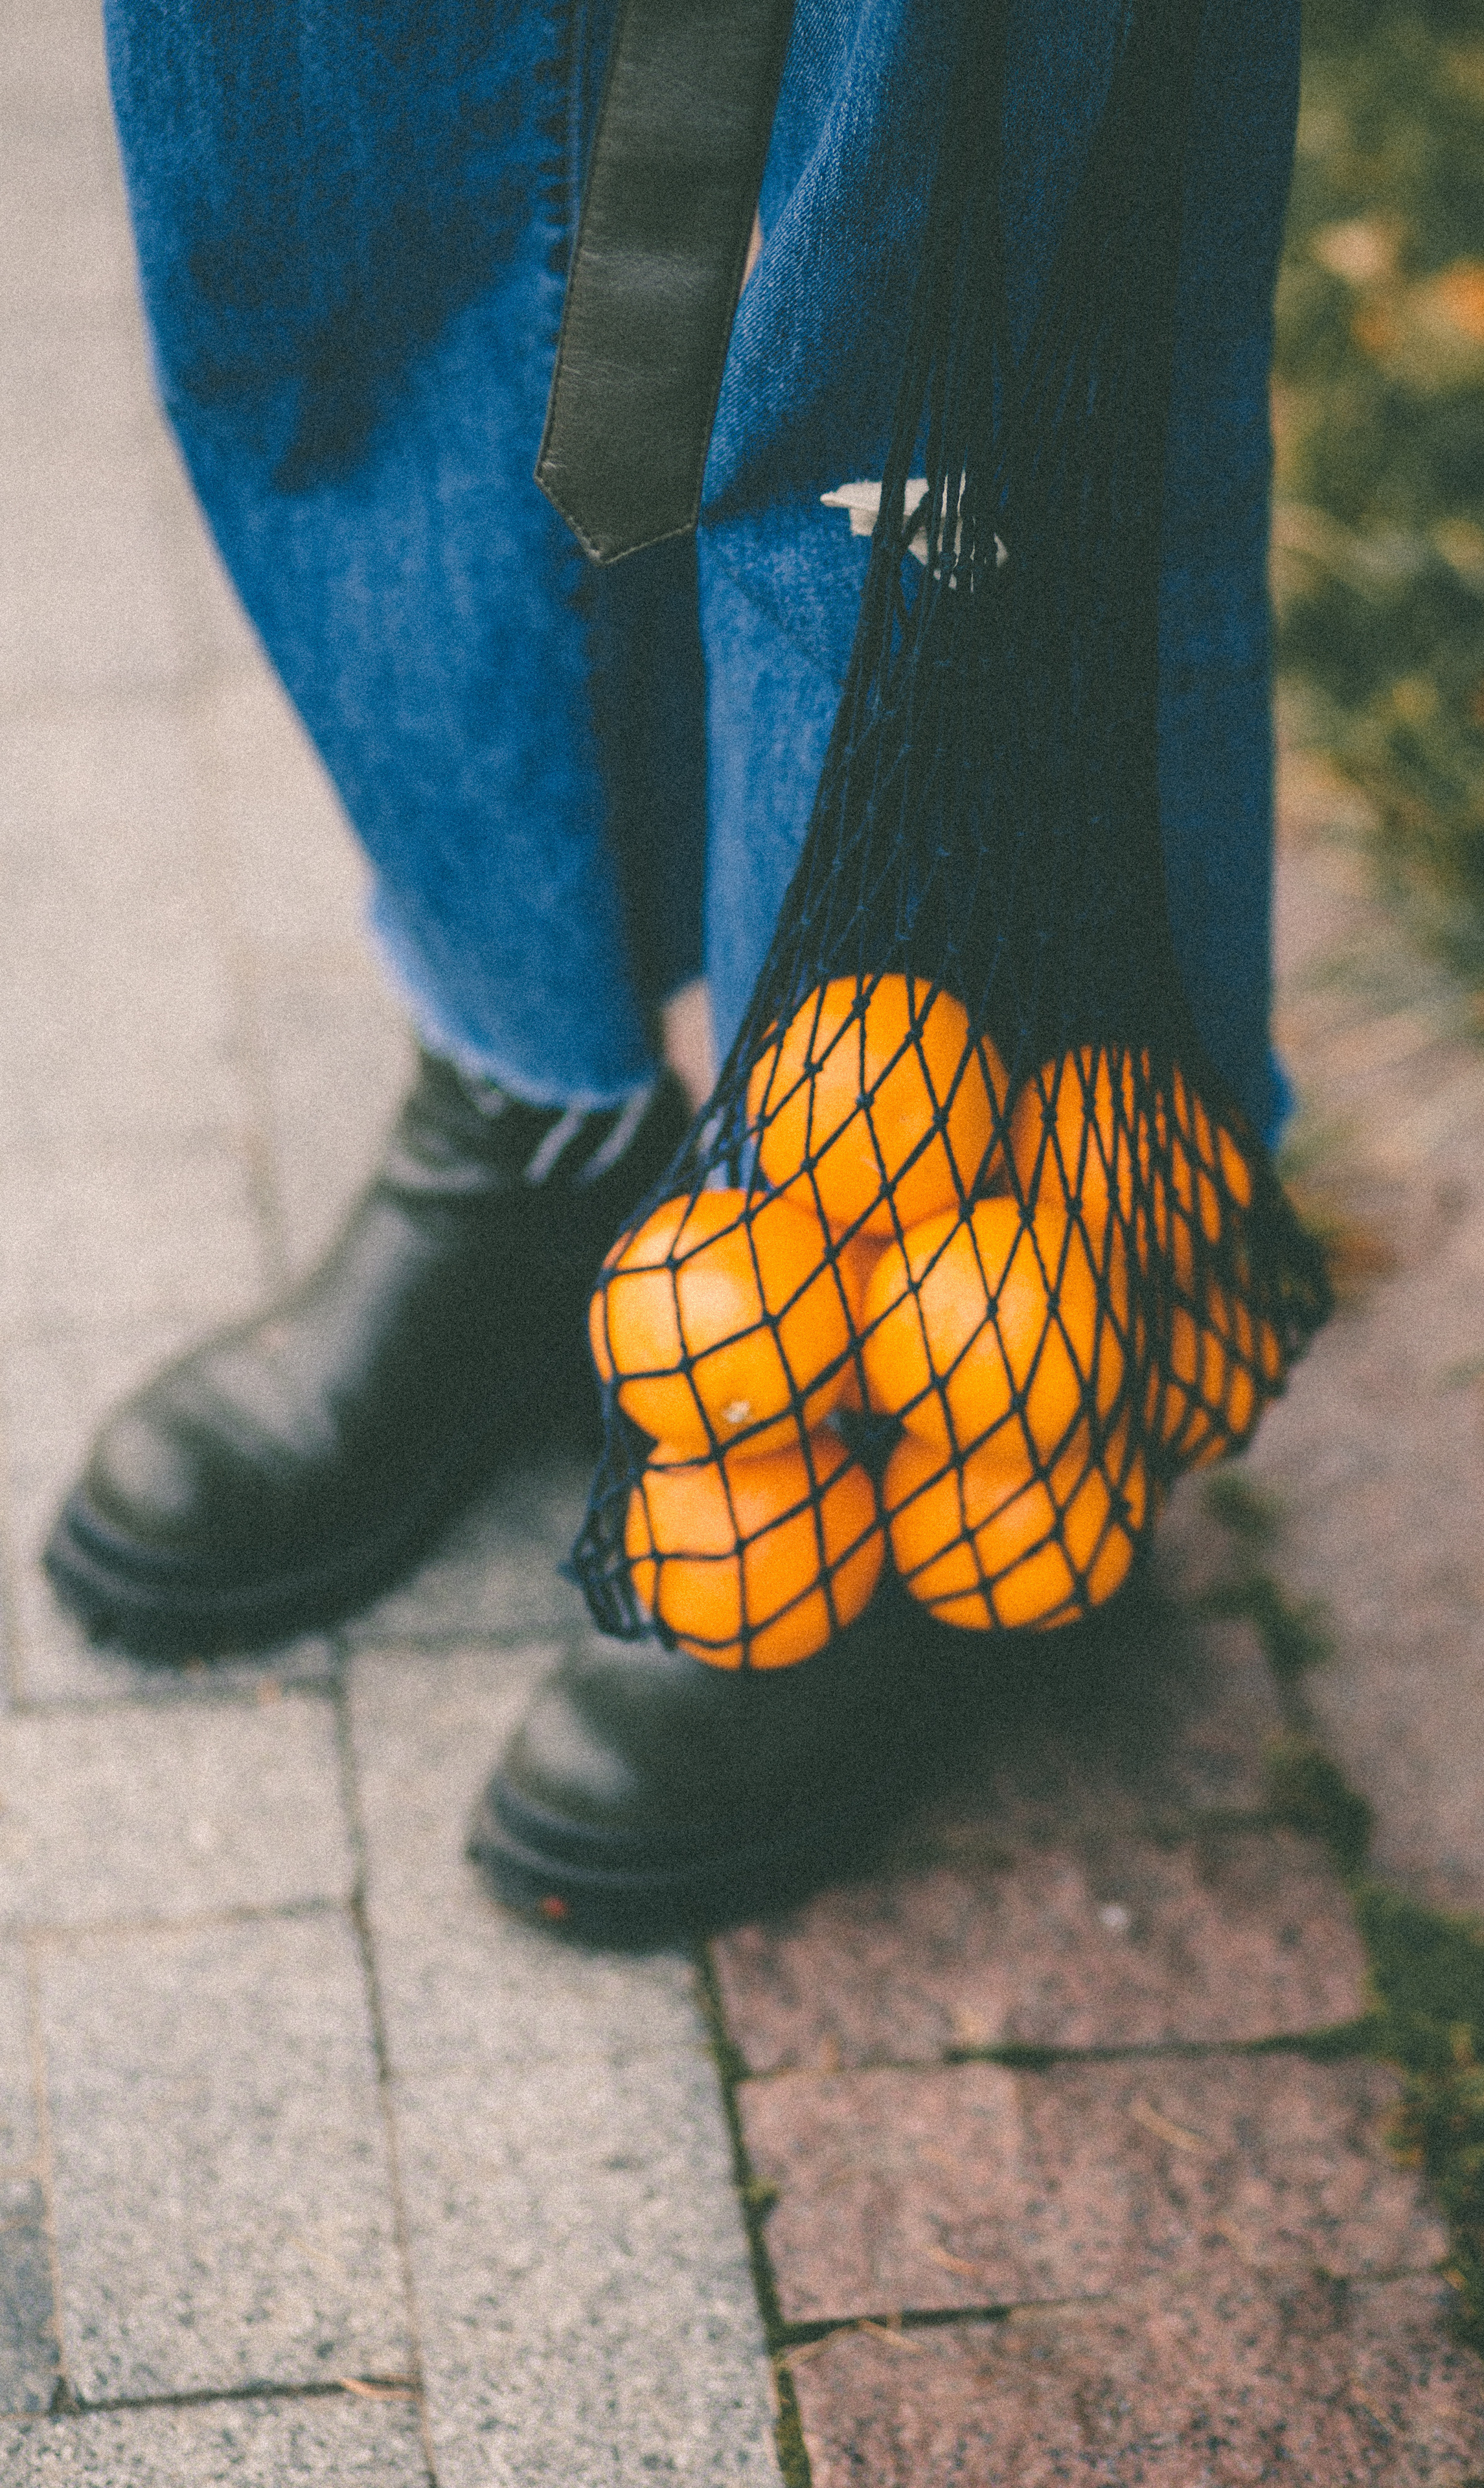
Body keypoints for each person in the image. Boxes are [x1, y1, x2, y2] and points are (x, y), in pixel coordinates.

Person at [47, 0, 1300, 1931]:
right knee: (319, 123)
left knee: (932, 222)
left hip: (933, 1221)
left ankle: (888, 1301)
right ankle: (536, 1104)